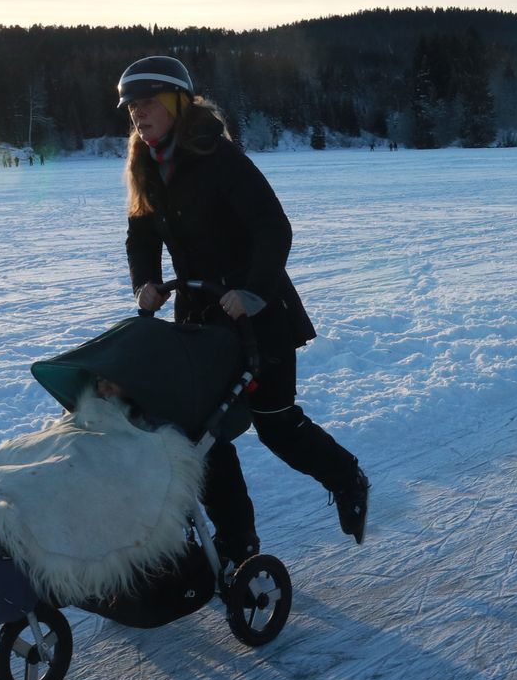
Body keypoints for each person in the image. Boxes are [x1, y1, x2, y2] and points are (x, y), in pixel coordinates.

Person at [118, 55, 368, 562]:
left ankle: (346, 478)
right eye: (131, 106)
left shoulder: (217, 156)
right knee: (200, 439)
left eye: (147, 103)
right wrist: (146, 282)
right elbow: (140, 233)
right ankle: (238, 545)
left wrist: (251, 289)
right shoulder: (145, 163)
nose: (138, 114)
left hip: (260, 314)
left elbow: (273, 227)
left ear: (175, 102)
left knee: (275, 423)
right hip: (199, 320)